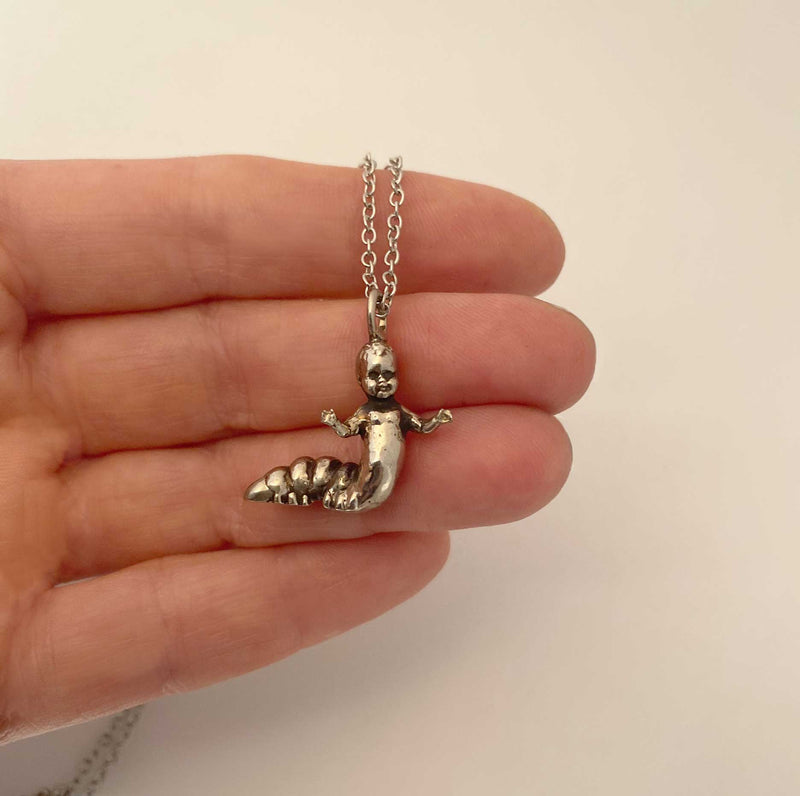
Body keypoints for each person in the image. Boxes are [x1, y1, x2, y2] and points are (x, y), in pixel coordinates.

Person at [0, 155, 595, 743]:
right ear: (363, 376)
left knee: (377, 490)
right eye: (375, 373)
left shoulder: (392, 412)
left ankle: (314, 489)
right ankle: (305, 488)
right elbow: (350, 431)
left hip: (373, 487)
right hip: (361, 488)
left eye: (388, 371)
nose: (384, 379)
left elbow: (416, 424)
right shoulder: (370, 414)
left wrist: (433, 419)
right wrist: (338, 423)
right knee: (353, 490)